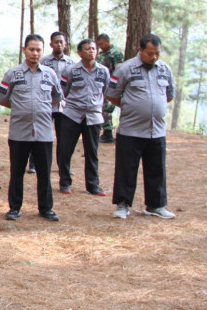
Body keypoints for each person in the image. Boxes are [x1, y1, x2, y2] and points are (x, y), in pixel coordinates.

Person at [106, 33, 176, 219]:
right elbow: (112, 94)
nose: (154, 57)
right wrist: (132, 106)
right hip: (131, 130)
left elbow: (169, 95)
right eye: (150, 53)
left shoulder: (165, 69)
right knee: (126, 169)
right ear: (140, 50)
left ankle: (155, 206)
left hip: (157, 130)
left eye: (157, 53)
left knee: (156, 169)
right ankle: (122, 205)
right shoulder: (125, 69)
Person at [0, 34, 62, 221]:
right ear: (24, 50)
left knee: (44, 173)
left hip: (43, 132)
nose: (35, 53)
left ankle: (46, 208)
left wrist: (39, 109)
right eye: (31, 49)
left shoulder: (50, 74)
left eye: (38, 50)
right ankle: (14, 208)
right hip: (19, 132)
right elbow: (2, 99)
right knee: (17, 172)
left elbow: (56, 97)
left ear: (43, 51)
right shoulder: (13, 74)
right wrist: (22, 108)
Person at [57, 39, 108, 196]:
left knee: (92, 152)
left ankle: (93, 185)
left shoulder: (103, 71)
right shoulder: (70, 70)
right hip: (72, 115)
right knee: (65, 150)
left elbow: (105, 91)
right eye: (87, 49)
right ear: (80, 52)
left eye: (93, 48)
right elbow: (63, 91)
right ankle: (65, 182)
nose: (92, 51)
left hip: (93, 117)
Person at [32, 31, 74, 173]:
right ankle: (33, 164)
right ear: (51, 44)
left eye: (61, 42)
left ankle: (63, 166)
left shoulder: (71, 62)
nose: (59, 44)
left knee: (64, 138)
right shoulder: (44, 61)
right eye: (56, 42)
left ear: (65, 44)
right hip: (46, 103)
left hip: (63, 105)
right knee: (40, 133)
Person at [96, 33, 124, 143]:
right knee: (102, 108)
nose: (101, 46)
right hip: (101, 85)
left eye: (102, 44)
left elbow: (119, 71)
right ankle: (105, 131)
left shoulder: (115, 54)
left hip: (111, 85)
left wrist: (116, 85)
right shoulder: (101, 54)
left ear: (108, 41)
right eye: (99, 44)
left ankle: (108, 133)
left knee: (107, 108)